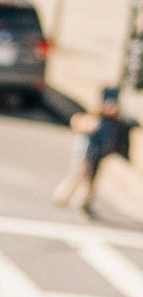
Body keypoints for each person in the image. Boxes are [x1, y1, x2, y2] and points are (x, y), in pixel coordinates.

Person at [53, 88, 135, 216]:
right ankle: (63, 198)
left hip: (96, 156)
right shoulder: (94, 118)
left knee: (88, 181)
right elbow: (80, 125)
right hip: (84, 155)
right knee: (79, 178)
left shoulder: (113, 122)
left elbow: (131, 122)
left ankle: (80, 202)